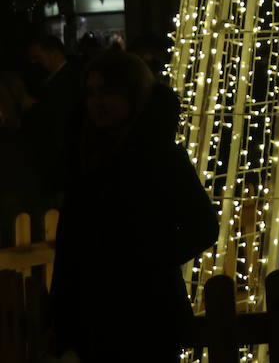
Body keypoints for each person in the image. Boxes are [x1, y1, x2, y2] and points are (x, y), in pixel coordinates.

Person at [49, 50, 218, 362]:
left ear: (132, 94)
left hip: (148, 317)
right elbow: (71, 245)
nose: (98, 102)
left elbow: (204, 225)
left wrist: (145, 258)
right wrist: (65, 328)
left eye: (108, 91)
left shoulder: (161, 156)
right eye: (92, 92)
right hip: (93, 319)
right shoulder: (85, 158)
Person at [18, 34, 81, 205]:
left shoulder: (67, 80)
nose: (34, 63)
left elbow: (58, 116)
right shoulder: (53, 80)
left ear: (54, 54)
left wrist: (34, 108)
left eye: (37, 58)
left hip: (59, 160)